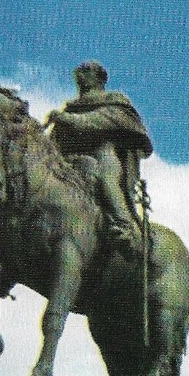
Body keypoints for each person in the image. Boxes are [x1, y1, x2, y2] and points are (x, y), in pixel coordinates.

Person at [45, 61, 153, 252]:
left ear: (100, 78)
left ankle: (125, 226)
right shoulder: (70, 109)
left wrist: (66, 119)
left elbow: (97, 121)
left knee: (107, 180)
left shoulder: (114, 100)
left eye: (86, 71)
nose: (80, 74)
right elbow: (53, 142)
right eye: (79, 70)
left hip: (104, 153)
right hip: (71, 158)